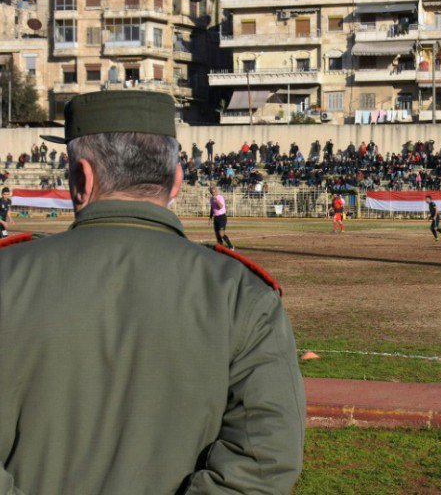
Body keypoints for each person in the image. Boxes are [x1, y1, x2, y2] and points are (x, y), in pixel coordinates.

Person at [0, 90, 305, 494]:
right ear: (176, 180)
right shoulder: (240, 294)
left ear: (80, 178)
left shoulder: (9, 275)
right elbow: (264, 460)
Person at [209, 185, 234, 250]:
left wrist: (216, 200)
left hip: (222, 217)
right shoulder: (211, 199)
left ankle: (231, 246)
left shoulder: (220, 198)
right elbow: (212, 208)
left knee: (221, 234)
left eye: (214, 192)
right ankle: (221, 246)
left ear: (216, 191)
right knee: (217, 234)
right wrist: (210, 217)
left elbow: (220, 207)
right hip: (216, 218)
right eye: (212, 192)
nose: (213, 193)